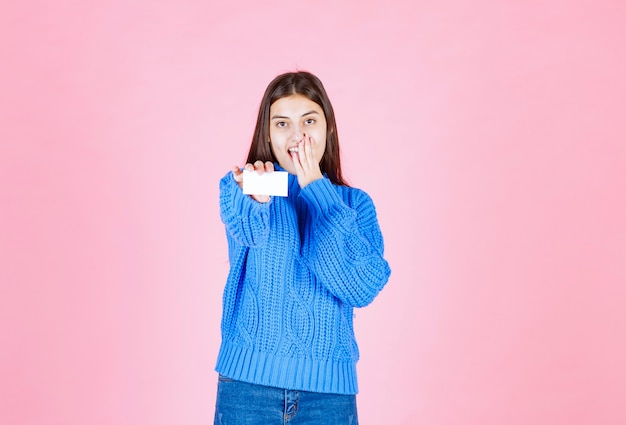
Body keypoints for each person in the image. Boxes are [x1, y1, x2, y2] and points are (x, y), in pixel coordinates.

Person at [214, 71, 391, 425]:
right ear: (268, 133)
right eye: (282, 124)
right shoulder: (243, 188)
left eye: (309, 121)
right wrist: (257, 200)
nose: (297, 136)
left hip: (329, 395)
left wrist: (317, 188)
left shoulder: (354, 205)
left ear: (328, 129)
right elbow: (248, 233)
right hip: (248, 388)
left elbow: (360, 287)